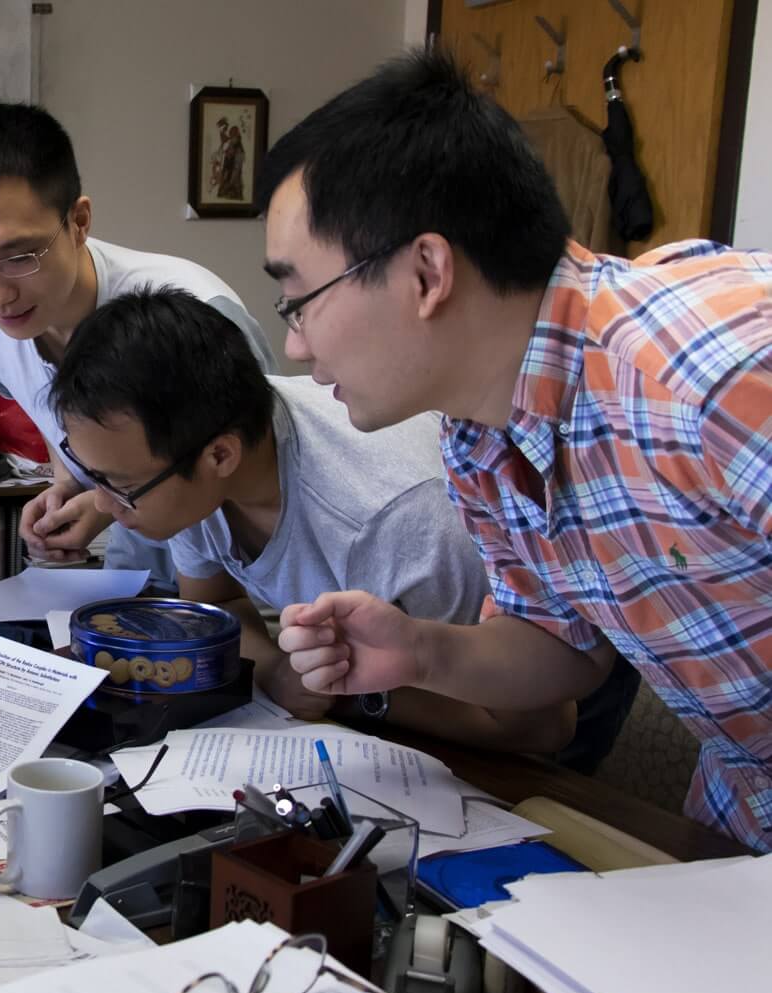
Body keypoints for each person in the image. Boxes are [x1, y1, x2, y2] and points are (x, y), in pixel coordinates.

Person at [255, 47, 772, 852]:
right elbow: (561, 650)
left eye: (299, 302)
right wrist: (418, 650)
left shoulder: (708, 372)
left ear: (427, 272)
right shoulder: (480, 435)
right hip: (740, 823)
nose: (293, 346)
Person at [50, 285, 590, 753]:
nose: (102, 507)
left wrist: (353, 695)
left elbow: (540, 726)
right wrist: (285, 676)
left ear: (219, 457)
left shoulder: (399, 518)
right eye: (93, 476)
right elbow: (216, 609)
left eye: (119, 487)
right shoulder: (192, 462)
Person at [0, 100, 278, 586]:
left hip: (243, 569)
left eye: (20, 256)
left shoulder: (197, 316)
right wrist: (71, 482)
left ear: (79, 222)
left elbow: (249, 468)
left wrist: (107, 503)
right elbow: (44, 404)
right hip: (137, 555)